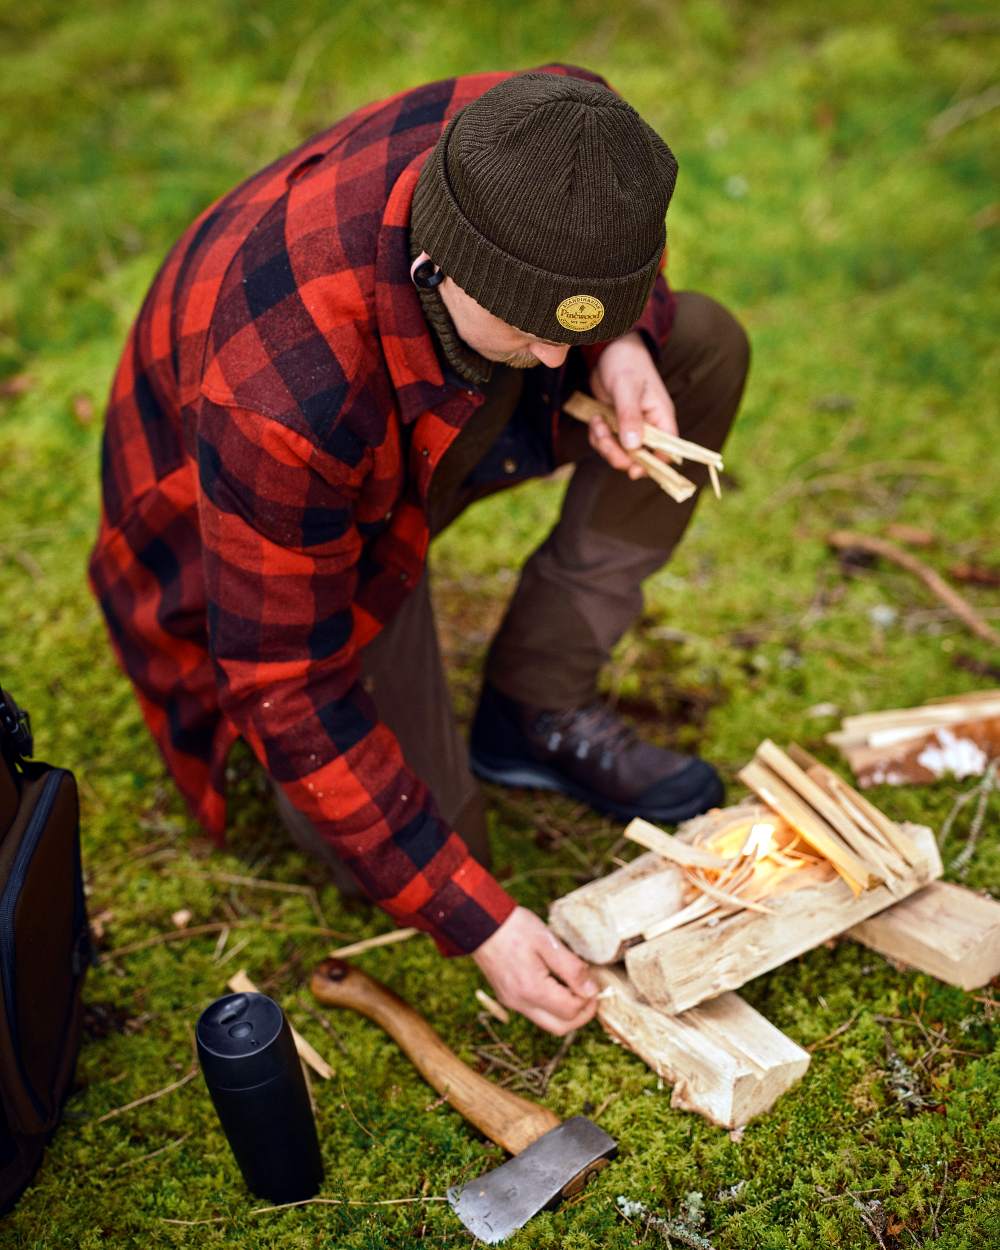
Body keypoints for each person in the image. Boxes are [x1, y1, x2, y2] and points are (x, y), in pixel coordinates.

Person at [88, 63, 749, 1036]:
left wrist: (623, 340)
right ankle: (428, 702)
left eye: (578, 322)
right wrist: (477, 921)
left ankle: (534, 708)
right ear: (449, 260)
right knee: (439, 842)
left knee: (702, 344)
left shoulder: (558, 135)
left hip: (407, 416)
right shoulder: (286, 393)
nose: (557, 359)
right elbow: (282, 682)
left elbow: (592, 293)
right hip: (268, 532)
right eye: (533, 326)